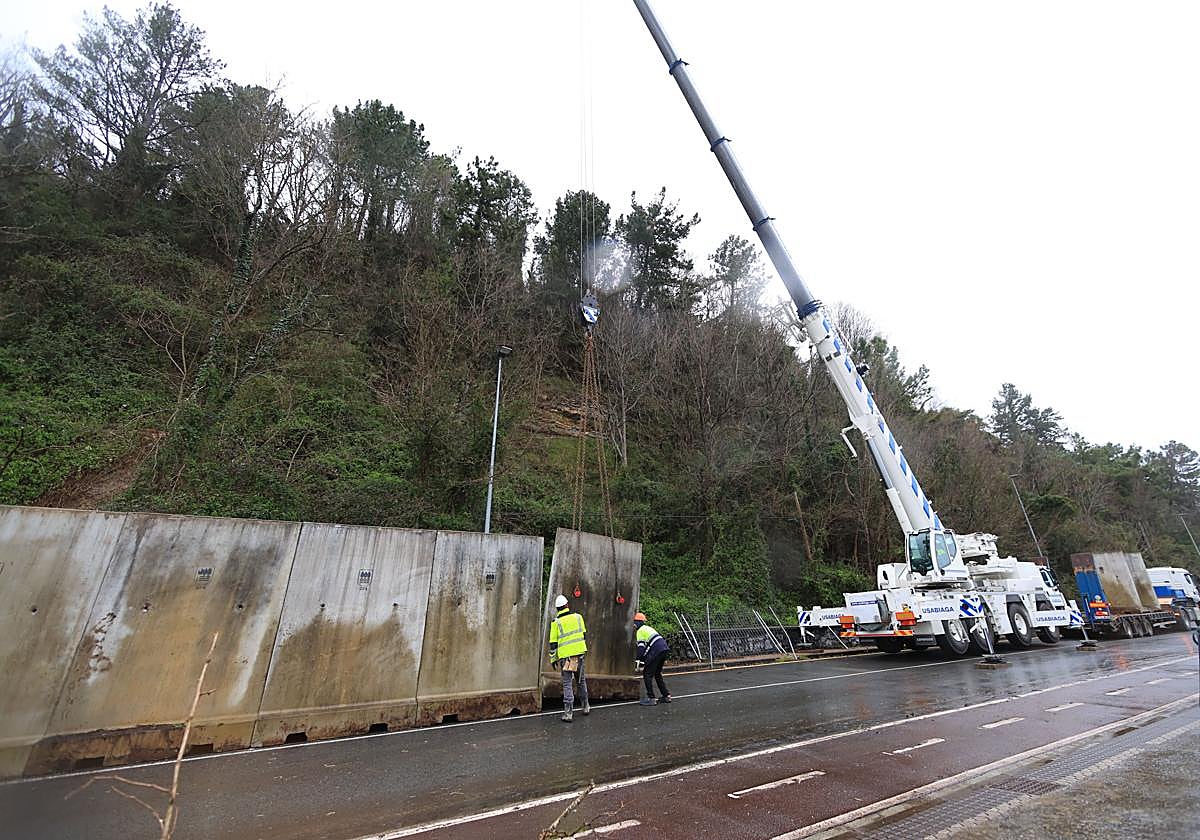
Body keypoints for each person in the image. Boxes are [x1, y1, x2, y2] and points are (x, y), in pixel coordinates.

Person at [548, 594, 589, 722]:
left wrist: (553, 659)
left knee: (567, 683)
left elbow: (553, 644)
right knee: (580, 681)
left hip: (566, 657)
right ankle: (585, 706)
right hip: (579, 654)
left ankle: (568, 713)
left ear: (557, 608)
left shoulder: (556, 623)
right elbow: (583, 635)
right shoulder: (578, 617)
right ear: (566, 605)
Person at [633, 612, 671, 705]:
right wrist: (643, 660)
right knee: (657, 673)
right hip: (664, 649)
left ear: (637, 622)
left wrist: (638, 660)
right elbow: (649, 646)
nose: (634, 624)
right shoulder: (648, 628)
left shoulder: (640, 631)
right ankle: (666, 696)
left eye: (634, 622)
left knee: (647, 674)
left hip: (656, 651)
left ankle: (651, 698)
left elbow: (641, 648)